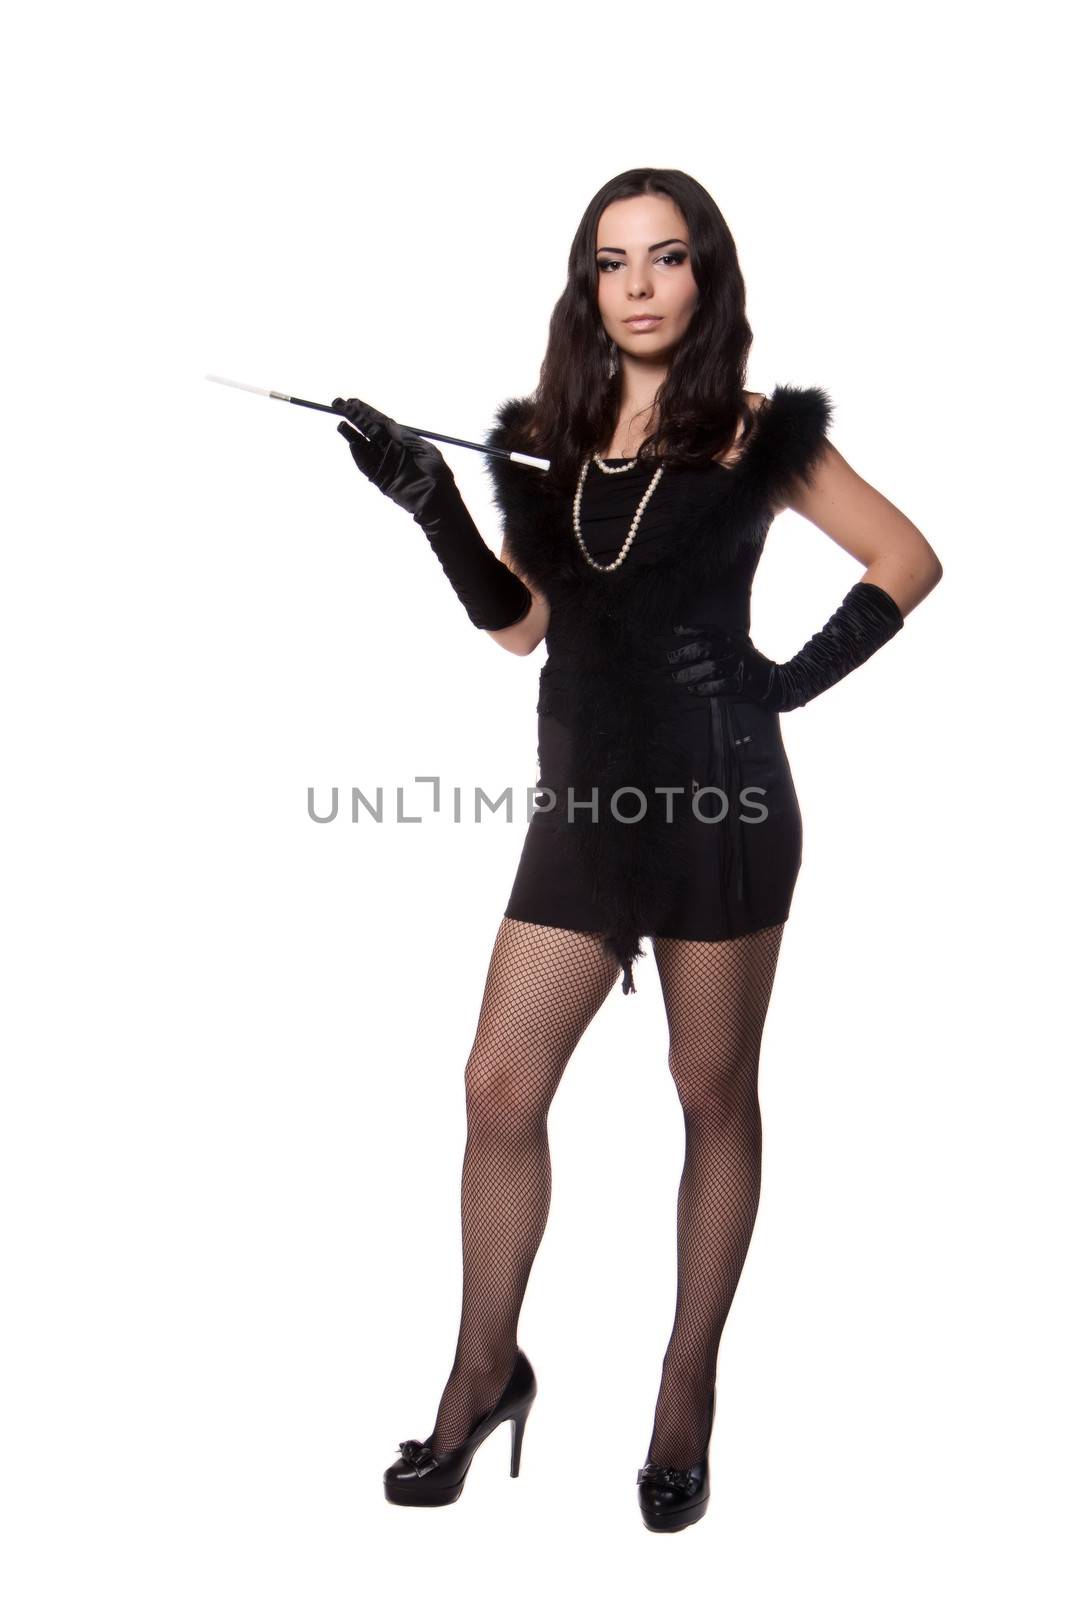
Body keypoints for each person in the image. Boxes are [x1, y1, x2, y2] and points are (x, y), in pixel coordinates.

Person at [332, 167, 943, 1533]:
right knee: (497, 1087)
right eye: (615, 263)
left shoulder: (754, 432)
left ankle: (685, 1387)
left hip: (722, 806)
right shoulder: (555, 437)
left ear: (705, 278)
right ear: (589, 286)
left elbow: (904, 556)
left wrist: (780, 683)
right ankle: (484, 1371)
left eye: (668, 259)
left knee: (710, 1094)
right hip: (587, 810)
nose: (642, 285)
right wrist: (433, 503)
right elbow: (522, 626)